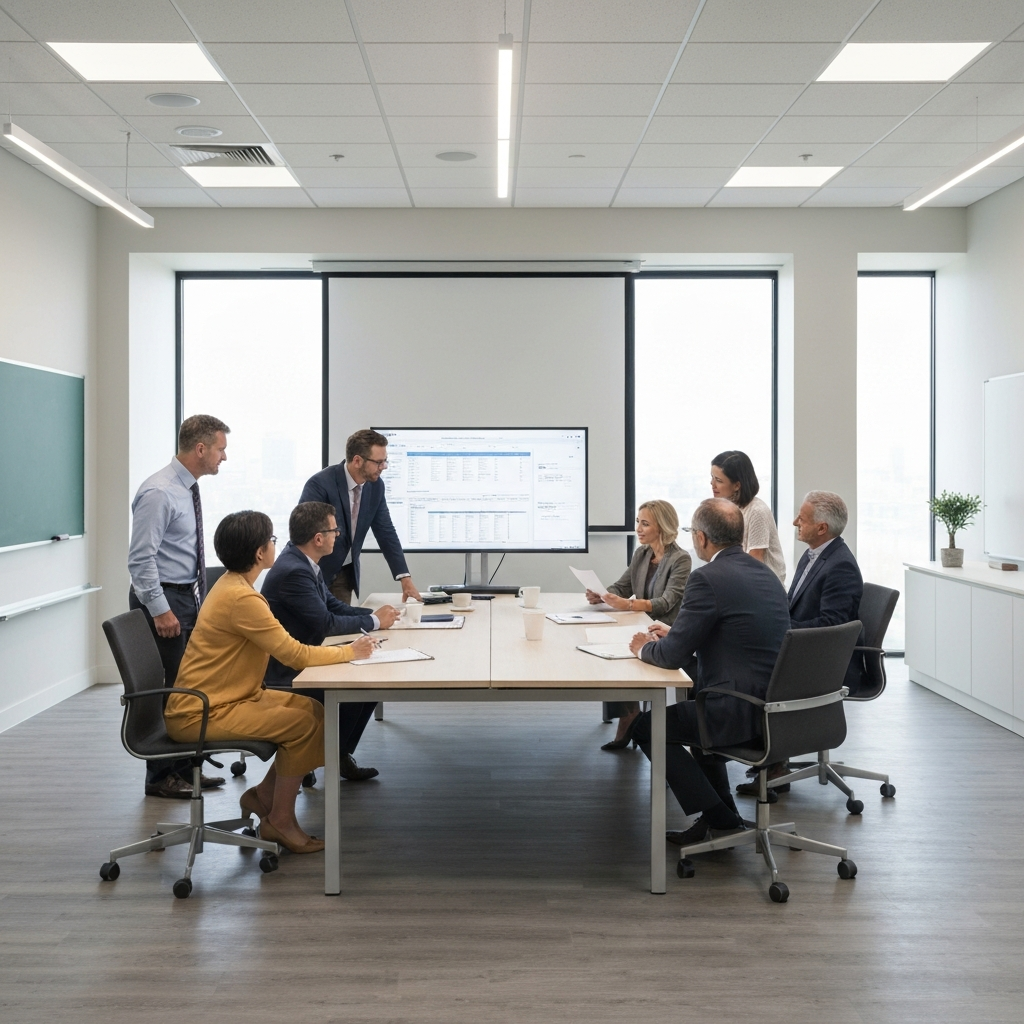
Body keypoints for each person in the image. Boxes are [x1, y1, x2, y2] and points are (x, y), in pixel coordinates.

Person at [165, 510, 374, 854]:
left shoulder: (233, 586)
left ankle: (263, 796)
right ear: (260, 553)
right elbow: (295, 655)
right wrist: (350, 651)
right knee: (300, 725)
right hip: (202, 712)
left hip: (230, 698)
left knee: (314, 710)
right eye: (272, 540)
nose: (276, 545)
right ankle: (280, 820)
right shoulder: (242, 599)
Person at [627, 498, 790, 846]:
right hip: (780, 710)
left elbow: (671, 657)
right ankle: (723, 815)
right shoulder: (766, 574)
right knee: (697, 709)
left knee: (647, 726)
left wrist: (643, 647)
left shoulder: (707, 578)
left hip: (738, 710)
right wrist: (679, 633)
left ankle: (719, 816)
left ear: (701, 538)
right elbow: (738, 633)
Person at [127, 414, 230, 799]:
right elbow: (140, 560)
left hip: (184, 596)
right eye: (220, 449)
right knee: (170, 687)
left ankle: (187, 767)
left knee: (188, 682)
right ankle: (160, 776)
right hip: (164, 599)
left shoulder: (186, 488)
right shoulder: (159, 492)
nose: (224, 457)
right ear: (200, 448)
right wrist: (160, 609)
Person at [735, 490, 864, 797]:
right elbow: (796, 608)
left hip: (828, 663)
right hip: (806, 648)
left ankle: (773, 763)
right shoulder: (814, 554)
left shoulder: (839, 566)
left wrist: (782, 633)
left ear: (822, 528)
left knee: (751, 676)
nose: (794, 522)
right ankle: (767, 754)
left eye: (802, 519)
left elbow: (832, 627)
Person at [263, 501, 401, 781]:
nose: (338, 535)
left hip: (308, 655)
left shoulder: (302, 561)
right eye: (334, 530)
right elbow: (326, 623)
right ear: (318, 538)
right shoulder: (295, 571)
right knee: (360, 686)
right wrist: (374, 622)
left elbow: (333, 607)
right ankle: (318, 755)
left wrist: (373, 615)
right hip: (289, 670)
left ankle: (336, 755)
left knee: (370, 684)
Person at [585, 500, 691, 751]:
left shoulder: (681, 559)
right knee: (609, 645)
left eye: (645, 523)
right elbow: (622, 587)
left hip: (665, 629)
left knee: (626, 648)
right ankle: (630, 711)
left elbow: (666, 603)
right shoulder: (642, 553)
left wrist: (628, 605)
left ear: (662, 527)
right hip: (642, 623)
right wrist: (602, 595)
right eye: (637, 522)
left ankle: (629, 718)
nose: (638, 529)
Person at [299, 428, 422, 605]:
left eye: (385, 461)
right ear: (357, 460)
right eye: (379, 462)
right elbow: (304, 534)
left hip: (345, 573)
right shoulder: (320, 485)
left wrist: (405, 578)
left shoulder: (375, 486)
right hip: (316, 572)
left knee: (341, 630)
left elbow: (385, 532)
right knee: (320, 628)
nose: (384, 467)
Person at [710, 450, 786, 583]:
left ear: (737, 485)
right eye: (712, 478)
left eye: (718, 480)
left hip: (763, 588)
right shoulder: (729, 509)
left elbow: (754, 562)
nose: (712, 484)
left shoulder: (756, 511)